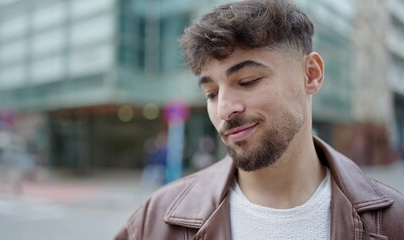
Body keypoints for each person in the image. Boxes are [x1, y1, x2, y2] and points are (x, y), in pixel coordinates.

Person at [115, 0, 404, 239]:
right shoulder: (155, 221)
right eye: (211, 93)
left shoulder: (393, 221)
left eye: (248, 81)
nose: (225, 109)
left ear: (311, 74)